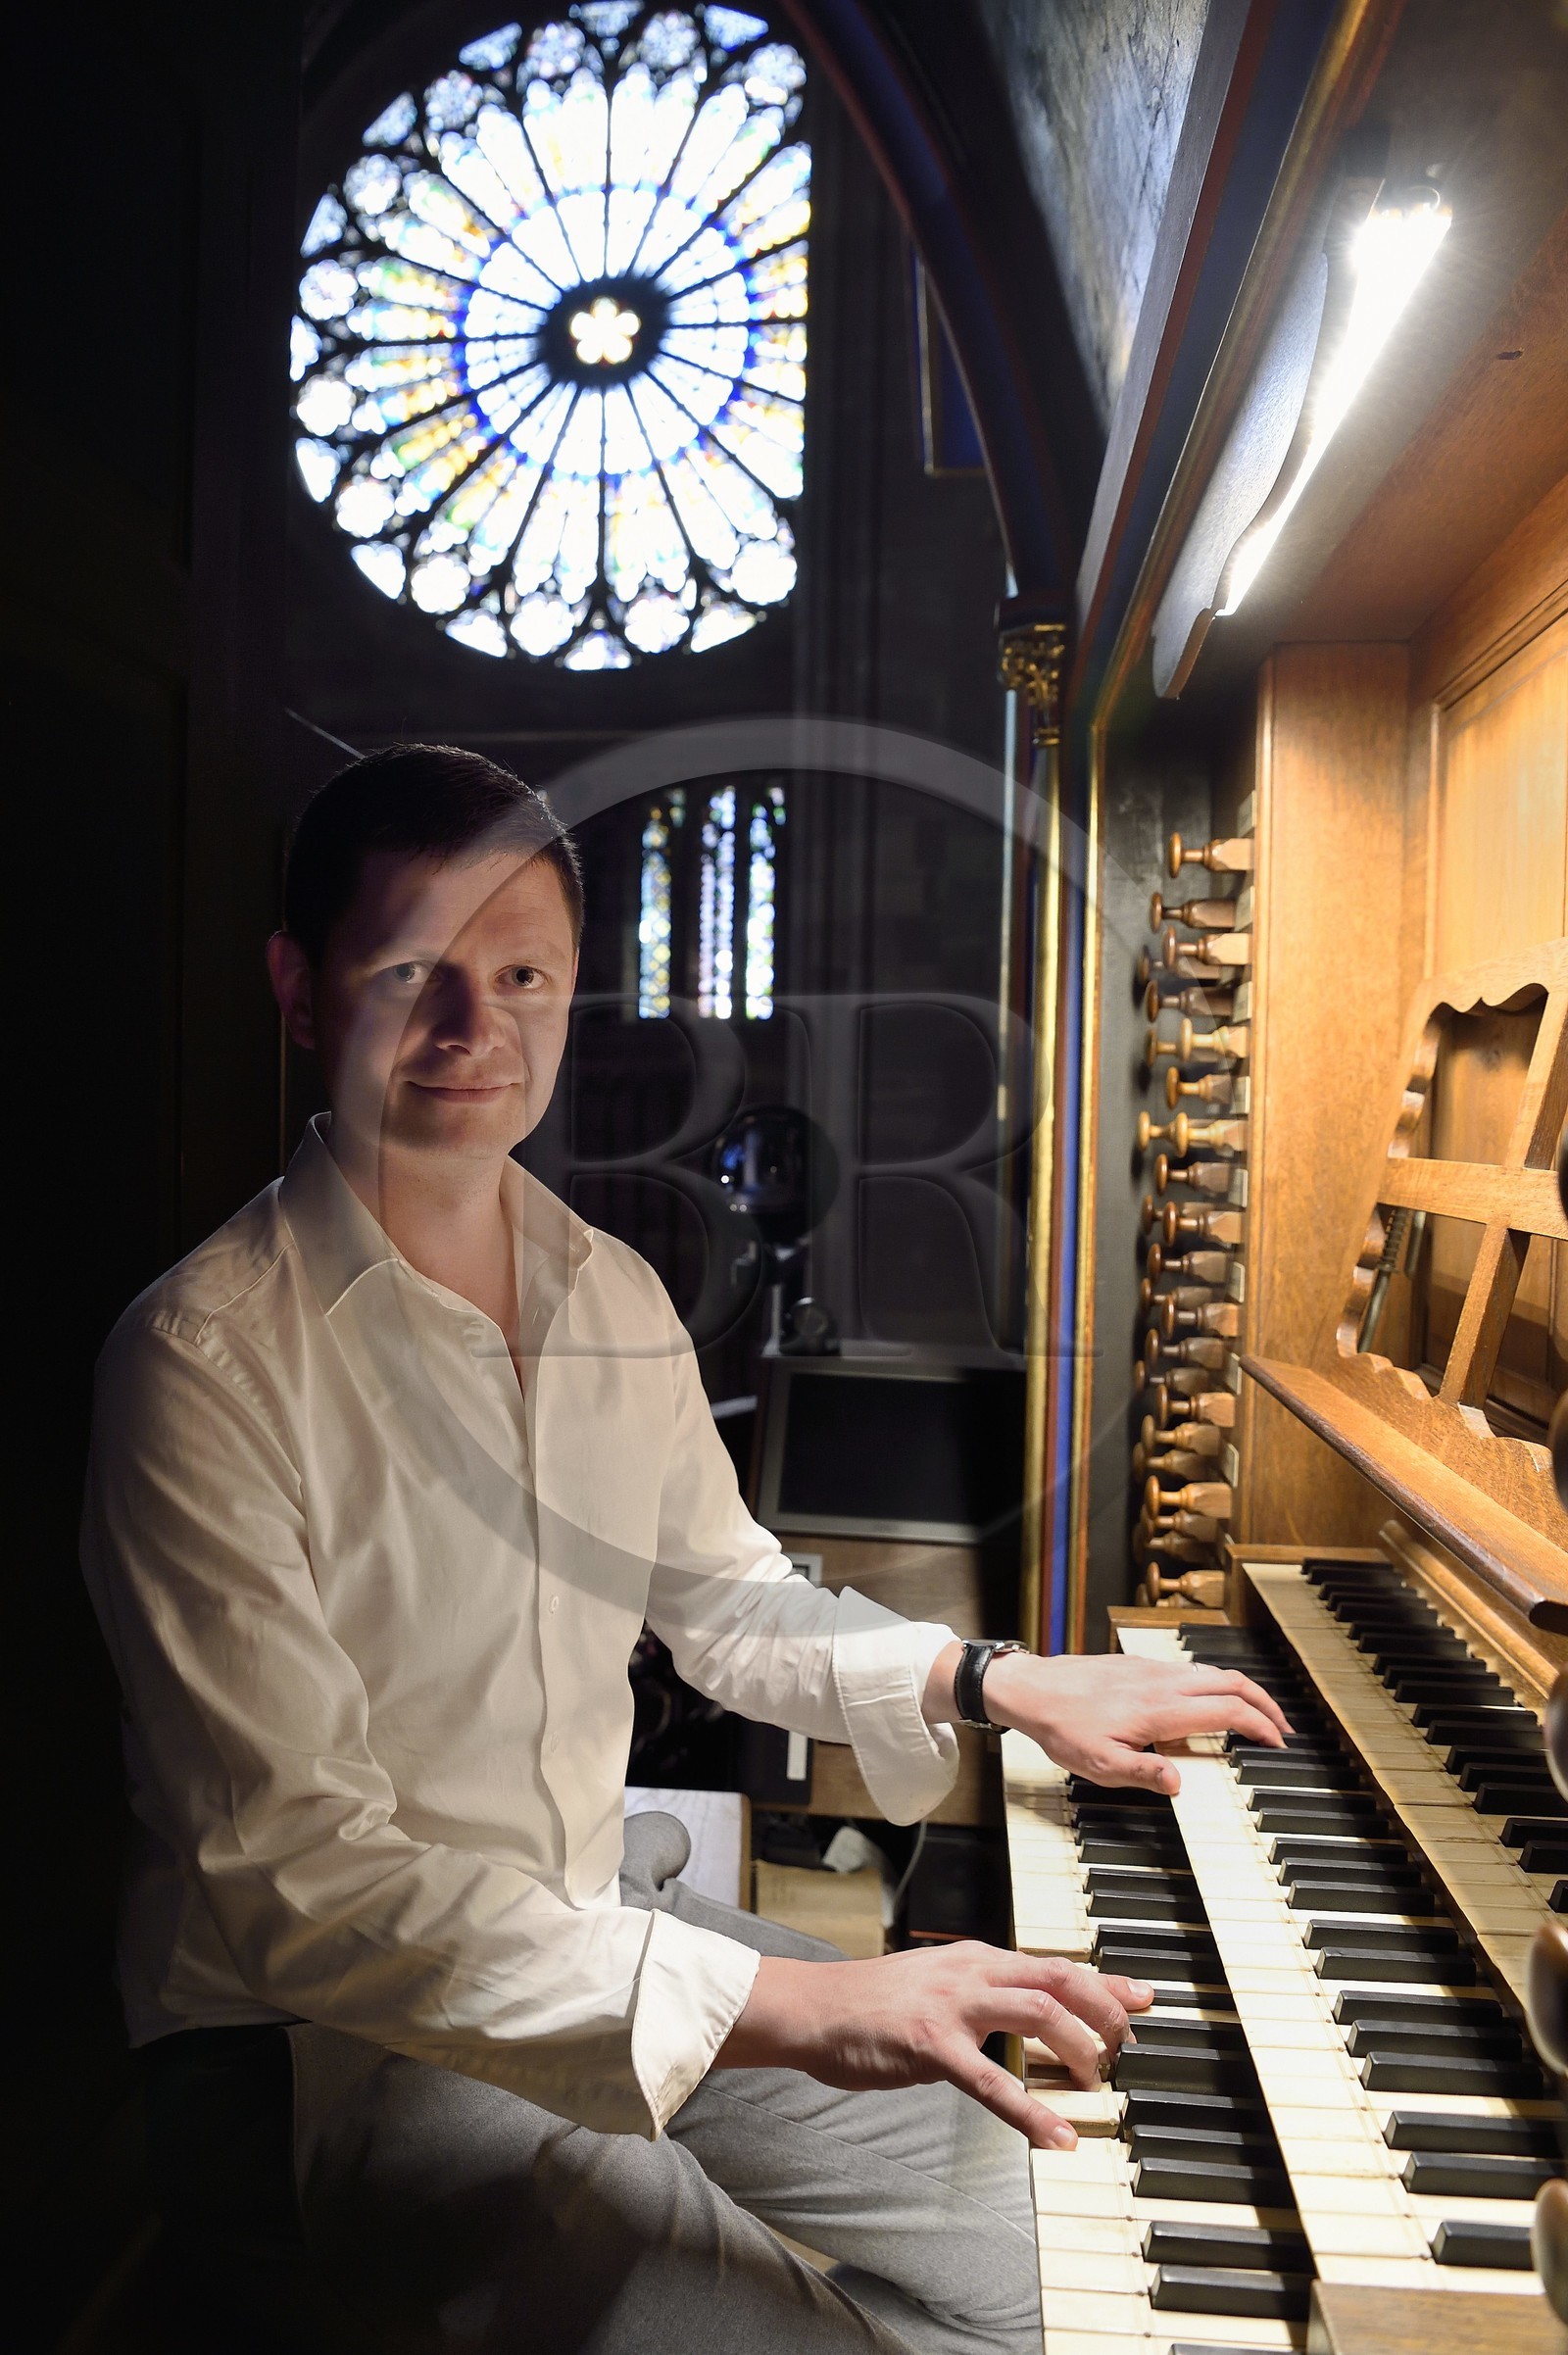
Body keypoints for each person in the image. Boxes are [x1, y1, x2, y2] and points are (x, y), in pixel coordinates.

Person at [81, 746, 1291, 2353]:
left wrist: (990, 1677)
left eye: (522, 976)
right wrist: (800, 2002)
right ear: (300, 990)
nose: (474, 1028)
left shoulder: (608, 1295)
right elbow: (306, 1881)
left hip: (597, 1924)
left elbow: (726, 1599)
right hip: (317, 2044)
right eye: (411, 972)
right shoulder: (199, 1357)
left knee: (1075, 2249)